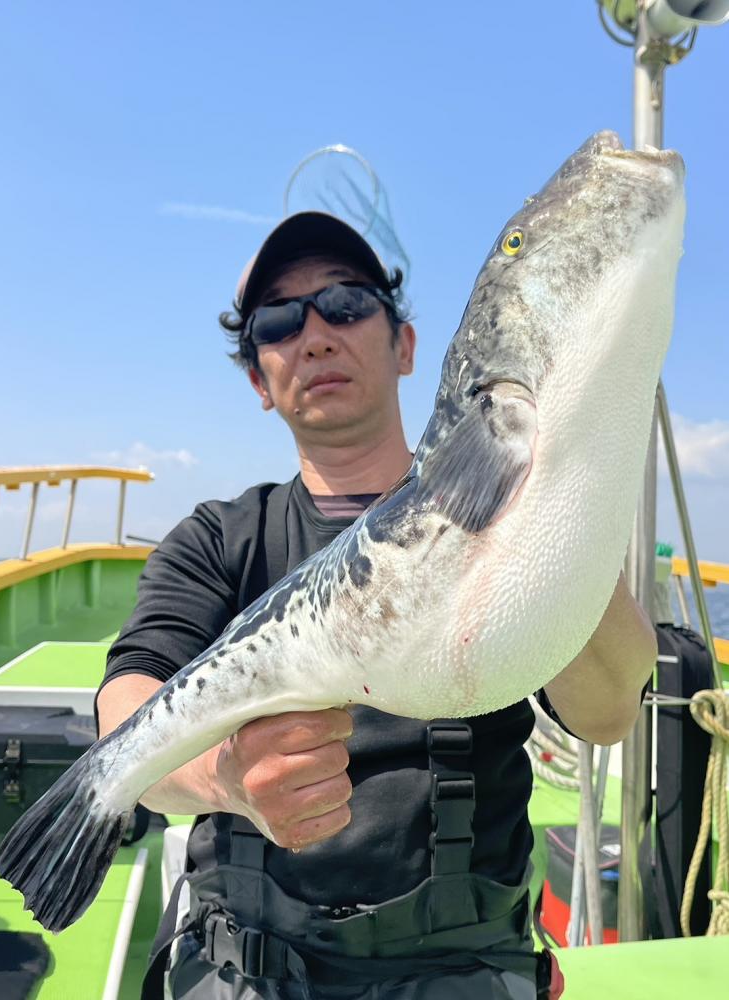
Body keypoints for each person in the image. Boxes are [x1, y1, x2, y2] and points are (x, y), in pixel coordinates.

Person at [95, 212, 657, 999]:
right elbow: (127, 708)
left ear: (406, 346)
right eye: (279, 322)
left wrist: (543, 504)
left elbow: (608, 712)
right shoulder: (220, 539)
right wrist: (223, 780)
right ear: (258, 380)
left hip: (463, 966)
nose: (316, 337)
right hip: (243, 962)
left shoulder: (523, 510)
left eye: (347, 303)